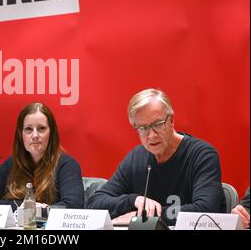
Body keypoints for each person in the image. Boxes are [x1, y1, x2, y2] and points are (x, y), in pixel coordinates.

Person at [86, 88, 226, 225]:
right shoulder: (137, 157)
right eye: (143, 128)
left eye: (158, 124)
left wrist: (143, 216)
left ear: (171, 120)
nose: (151, 135)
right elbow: (95, 203)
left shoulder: (202, 155)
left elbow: (205, 211)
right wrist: (133, 200)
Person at [0, 102, 84, 211]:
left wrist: (35, 211)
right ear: (20, 134)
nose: (35, 135)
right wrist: (22, 207)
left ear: (51, 133)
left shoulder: (67, 165)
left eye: (41, 128)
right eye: (28, 129)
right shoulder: (12, 163)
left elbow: (73, 206)